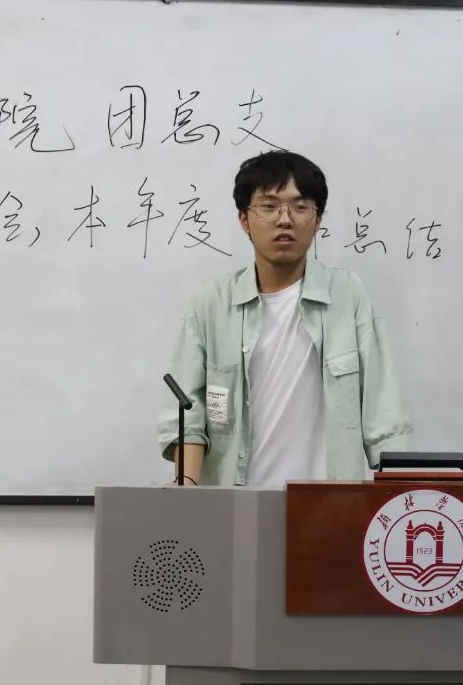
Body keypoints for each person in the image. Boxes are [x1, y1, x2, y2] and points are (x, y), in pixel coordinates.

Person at [158, 150, 411, 487]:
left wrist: (397, 498)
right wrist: (186, 489)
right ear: (244, 219)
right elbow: (188, 414)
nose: (285, 219)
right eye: (269, 206)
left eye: (300, 206)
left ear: (317, 220)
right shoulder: (211, 305)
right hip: (237, 502)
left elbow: (384, 414)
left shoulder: (348, 295)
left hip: (327, 503)